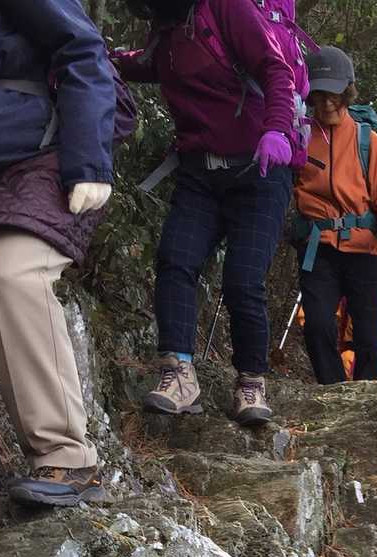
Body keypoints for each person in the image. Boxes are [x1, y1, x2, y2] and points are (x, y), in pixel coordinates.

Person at [113, 0, 304, 424]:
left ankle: (251, 382)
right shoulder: (167, 24)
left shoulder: (226, 7)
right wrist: (107, 59)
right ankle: (179, 374)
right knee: (175, 260)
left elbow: (276, 69)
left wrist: (277, 128)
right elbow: (154, 64)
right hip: (200, 171)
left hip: (261, 169)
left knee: (243, 280)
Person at [0, 0, 120, 507]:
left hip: (41, 161)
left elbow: (81, 48)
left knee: (13, 272)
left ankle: (68, 456)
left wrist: (88, 162)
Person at [293, 46, 377, 385]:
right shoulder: (299, 136)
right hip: (318, 246)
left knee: (368, 335)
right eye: (320, 95)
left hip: (365, 248)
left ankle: (368, 397)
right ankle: (332, 391)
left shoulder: (367, 140)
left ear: (347, 92)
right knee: (317, 324)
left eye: (334, 95)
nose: (327, 103)